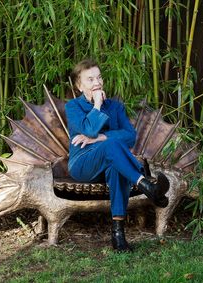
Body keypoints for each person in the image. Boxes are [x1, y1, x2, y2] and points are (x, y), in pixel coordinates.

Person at [65, 59, 169, 252]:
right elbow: (88, 129)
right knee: (113, 144)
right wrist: (96, 105)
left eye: (99, 77)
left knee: (116, 166)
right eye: (90, 79)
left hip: (111, 163)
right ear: (79, 86)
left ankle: (118, 235)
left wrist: (100, 138)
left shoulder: (115, 106)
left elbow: (130, 136)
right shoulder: (73, 107)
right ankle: (146, 183)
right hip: (83, 164)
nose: (97, 82)